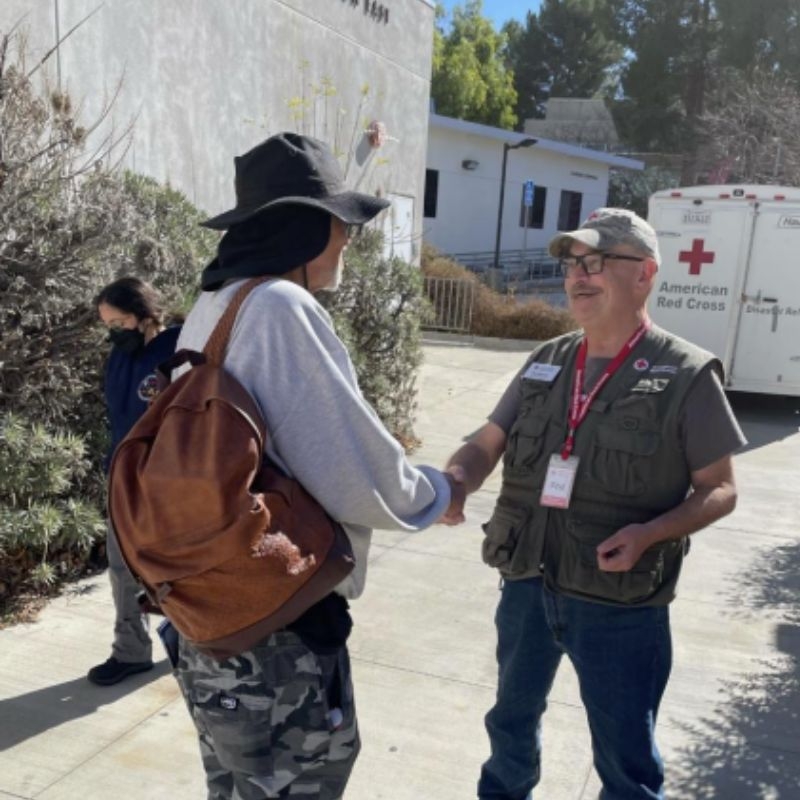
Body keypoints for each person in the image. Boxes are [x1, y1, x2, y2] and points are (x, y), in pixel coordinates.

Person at [172, 131, 464, 800]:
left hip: (206, 617)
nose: (348, 242)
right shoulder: (279, 307)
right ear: (305, 229)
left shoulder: (216, 303)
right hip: (277, 631)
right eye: (340, 226)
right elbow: (350, 468)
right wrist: (436, 492)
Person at [442, 208, 746, 800]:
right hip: (527, 584)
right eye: (573, 264)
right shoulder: (546, 360)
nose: (580, 275)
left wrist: (652, 532)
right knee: (508, 725)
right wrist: (457, 479)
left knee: (625, 755)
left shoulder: (685, 372)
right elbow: (487, 441)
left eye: (599, 261)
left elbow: (721, 488)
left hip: (620, 604)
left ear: (645, 274)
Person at [88, 277, 181, 686]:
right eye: (107, 324)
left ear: (145, 315)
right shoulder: (120, 356)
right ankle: (130, 652)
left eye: (118, 321)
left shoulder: (179, 347)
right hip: (123, 479)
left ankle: (196, 644)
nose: (113, 332)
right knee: (121, 567)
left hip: (168, 482)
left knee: (178, 571)